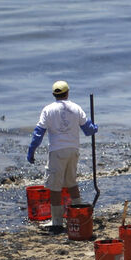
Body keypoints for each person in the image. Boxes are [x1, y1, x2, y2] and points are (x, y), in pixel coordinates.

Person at [26, 80, 98, 234]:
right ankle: (79, 215)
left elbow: (39, 133)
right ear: (68, 92)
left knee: (55, 187)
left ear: (54, 94)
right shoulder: (76, 108)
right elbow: (88, 130)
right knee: (71, 183)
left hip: (57, 151)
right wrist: (95, 127)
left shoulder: (48, 110)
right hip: (73, 150)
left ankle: (57, 222)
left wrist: (31, 151)